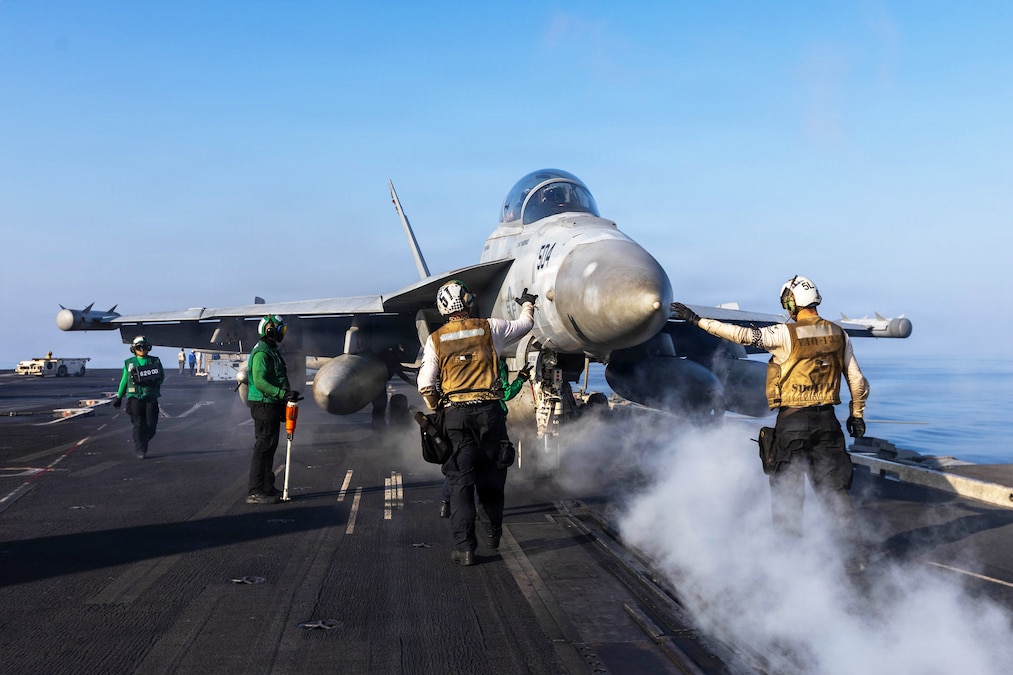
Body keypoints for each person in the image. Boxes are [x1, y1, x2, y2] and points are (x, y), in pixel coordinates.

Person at [671, 275, 869, 555]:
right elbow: (858, 381)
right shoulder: (839, 334)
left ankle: (789, 560)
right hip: (828, 422)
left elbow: (739, 335)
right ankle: (854, 557)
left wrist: (698, 321)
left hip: (793, 423)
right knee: (834, 494)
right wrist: (857, 415)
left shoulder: (784, 334)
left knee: (788, 494)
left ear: (791, 302)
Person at [418, 281, 536, 566]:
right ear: (469, 301)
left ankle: (466, 549)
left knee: (461, 483)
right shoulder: (491, 328)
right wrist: (528, 304)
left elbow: (425, 384)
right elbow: (525, 325)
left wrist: (438, 408)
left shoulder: (435, 339)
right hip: (490, 415)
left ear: (443, 309)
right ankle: (493, 533)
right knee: (492, 480)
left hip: (456, 417)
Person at [439, 358, 532, 518]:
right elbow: (506, 393)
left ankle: (446, 503)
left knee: (460, 463)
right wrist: (521, 378)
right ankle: (484, 513)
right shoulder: (496, 362)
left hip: (460, 416)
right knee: (487, 466)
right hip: (489, 419)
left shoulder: (457, 360)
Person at [245, 314, 301, 505]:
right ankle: (255, 491)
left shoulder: (271, 350)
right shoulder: (262, 353)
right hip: (263, 403)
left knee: (270, 446)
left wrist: (285, 396)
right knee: (263, 447)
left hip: (271, 403)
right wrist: (282, 394)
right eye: (280, 330)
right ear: (269, 330)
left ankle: (267, 486)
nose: (282, 334)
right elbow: (260, 381)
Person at [112, 335, 165, 459]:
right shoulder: (129, 363)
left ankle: (143, 440)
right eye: (139, 347)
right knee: (138, 424)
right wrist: (119, 397)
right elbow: (124, 380)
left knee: (151, 425)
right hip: (135, 397)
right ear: (134, 349)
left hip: (150, 397)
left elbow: (161, 378)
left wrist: (152, 381)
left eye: (144, 347)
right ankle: (140, 450)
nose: (142, 349)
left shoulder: (154, 361)